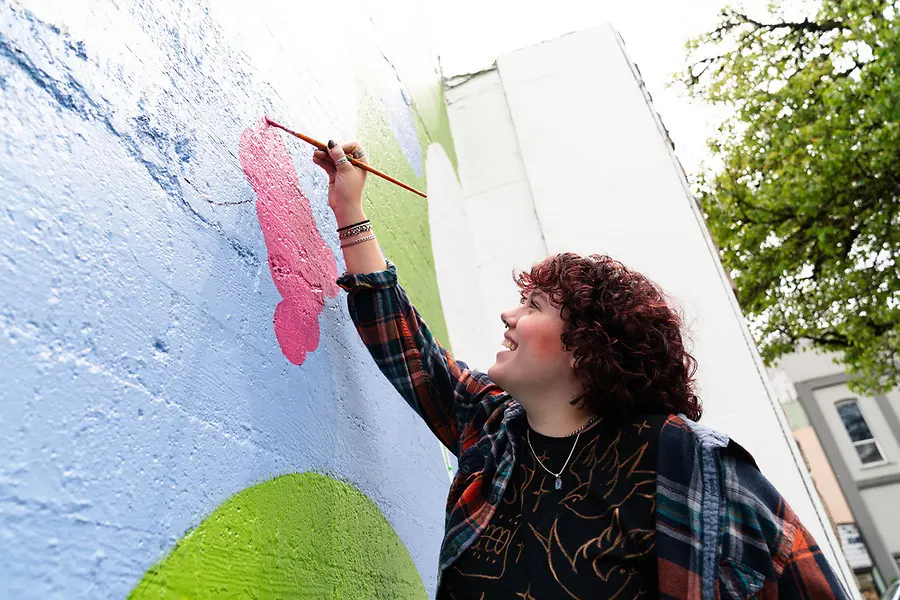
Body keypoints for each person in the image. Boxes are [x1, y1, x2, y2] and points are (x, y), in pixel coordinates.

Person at [311, 139, 850, 599]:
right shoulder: (495, 430)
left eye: (534, 306)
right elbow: (406, 347)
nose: (508, 313)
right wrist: (349, 208)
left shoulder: (684, 462)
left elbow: (807, 582)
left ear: (586, 345)